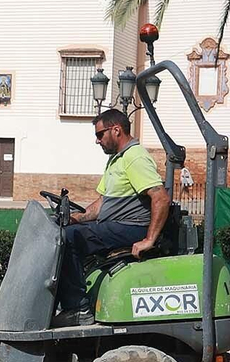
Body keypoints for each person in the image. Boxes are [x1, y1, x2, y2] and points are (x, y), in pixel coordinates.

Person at [57, 109, 171, 313]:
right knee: (63, 231)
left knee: (69, 238)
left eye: (100, 134)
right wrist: (78, 218)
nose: (97, 141)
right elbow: (103, 202)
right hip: (116, 225)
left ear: (116, 130)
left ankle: (77, 308)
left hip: (133, 227)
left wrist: (149, 240)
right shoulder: (116, 159)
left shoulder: (135, 157)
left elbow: (160, 197)